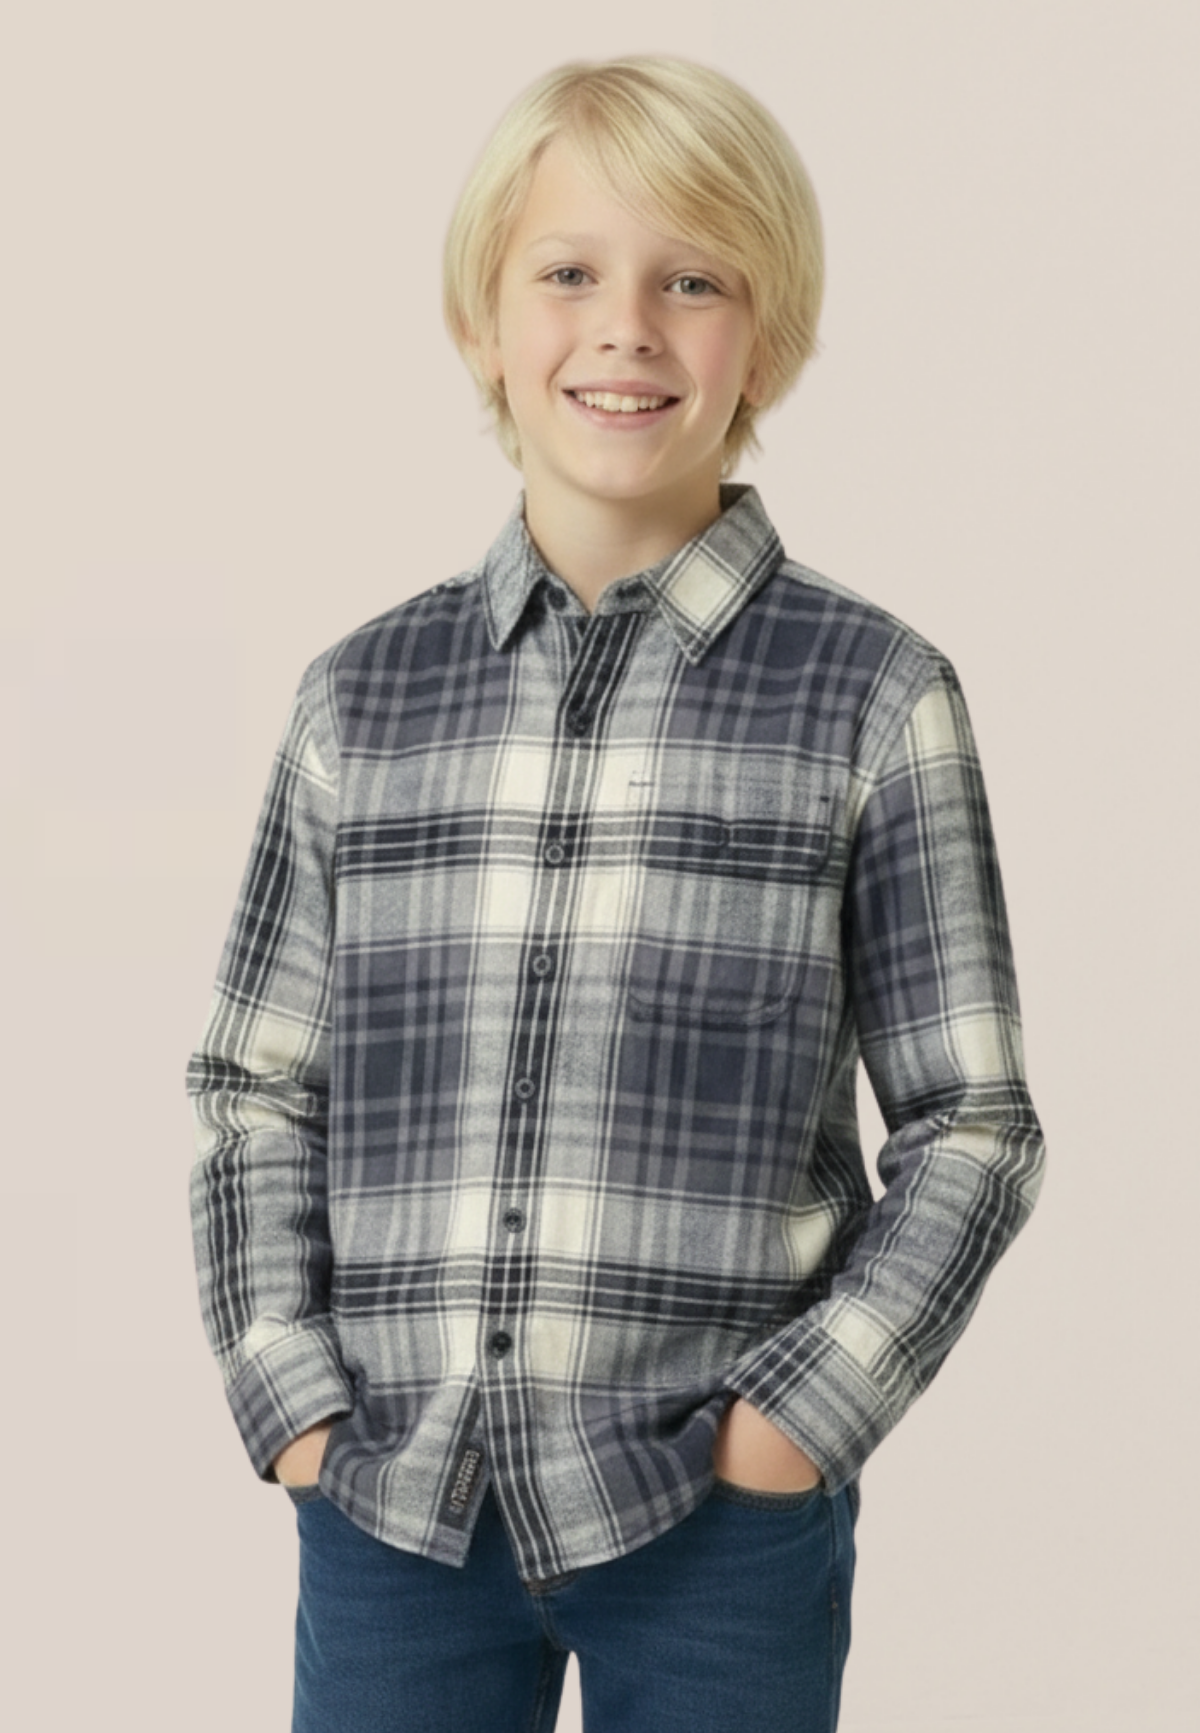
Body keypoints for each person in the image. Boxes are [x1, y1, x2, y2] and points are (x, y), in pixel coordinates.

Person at [186, 54, 1046, 1733]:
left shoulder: (871, 696)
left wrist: (793, 1425)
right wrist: (292, 1400)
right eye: (568, 272)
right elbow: (255, 1082)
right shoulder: (361, 699)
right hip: (394, 1507)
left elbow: (972, 1123)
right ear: (481, 323)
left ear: (768, 340)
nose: (627, 326)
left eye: (693, 279)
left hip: (716, 1520)